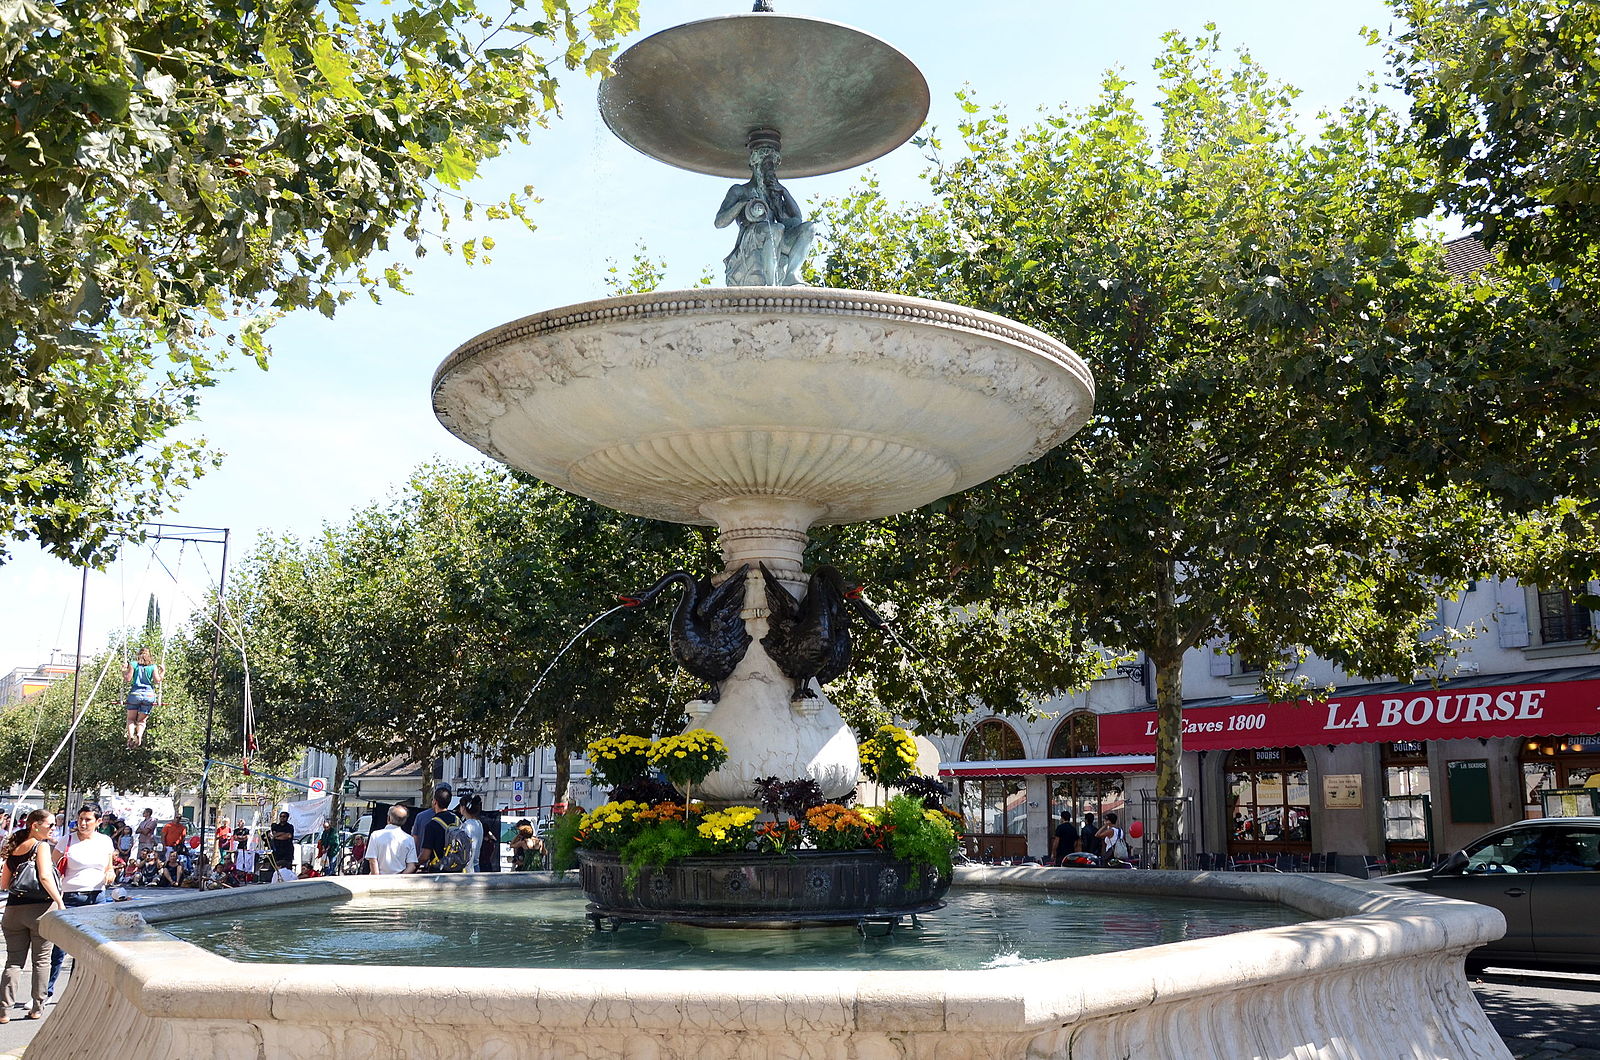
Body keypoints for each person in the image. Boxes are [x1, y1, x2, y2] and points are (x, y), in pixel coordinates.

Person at [713, 136, 814, 286]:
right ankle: (771, 284)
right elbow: (719, 222)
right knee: (776, 229)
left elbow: (796, 220)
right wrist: (742, 204)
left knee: (809, 228)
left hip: (773, 239)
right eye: (768, 165)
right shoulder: (740, 190)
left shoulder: (772, 194)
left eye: (773, 166)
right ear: (756, 164)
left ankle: (791, 275)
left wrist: (784, 191)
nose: (771, 170)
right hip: (751, 240)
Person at [0, 809, 64, 1021]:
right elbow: (45, 877)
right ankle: (37, 1007)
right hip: (40, 910)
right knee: (42, 961)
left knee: (13, 962)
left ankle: (4, 1011)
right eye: (50, 824)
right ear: (35, 825)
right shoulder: (41, 846)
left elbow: (4, 883)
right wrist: (60, 901)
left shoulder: (14, 847)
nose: (53, 828)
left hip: (12, 911)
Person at [46, 806, 116, 996]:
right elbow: (50, 869)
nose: (83, 823)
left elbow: (109, 867)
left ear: (98, 822)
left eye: (88, 820)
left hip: (97, 896)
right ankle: (47, 991)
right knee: (60, 947)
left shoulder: (105, 841)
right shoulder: (67, 840)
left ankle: (76, 990)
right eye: (81, 819)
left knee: (91, 947)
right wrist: (56, 897)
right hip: (70, 897)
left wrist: (110, 873)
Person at [122, 647, 163, 747]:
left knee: (131, 719)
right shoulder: (153, 667)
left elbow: (127, 679)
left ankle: (131, 735)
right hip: (149, 695)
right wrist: (162, 672)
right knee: (141, 720)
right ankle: (139, 735)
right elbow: (158, 680)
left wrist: (123, 671)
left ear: (138, 655)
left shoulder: (133, 664)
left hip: (135, 694)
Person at [416, 785, 460, 872]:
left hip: (438, 870)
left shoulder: (431, 825)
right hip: (456, 869)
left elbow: (425, 856)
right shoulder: (457, 820)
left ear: (435, 802)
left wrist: (415, 864)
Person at [365, 806, 417, 875]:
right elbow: (412, 866)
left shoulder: (375, 835)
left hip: (380, 880)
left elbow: (373, 861)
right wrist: (400, 878)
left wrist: (377, 879)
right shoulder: (409, 839)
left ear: (388, 818)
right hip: (400, 882)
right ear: (404, 821)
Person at [459, 795, 484, 875]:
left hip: (467, 868)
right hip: (476, 865)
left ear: (463, 808)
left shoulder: (465, 826)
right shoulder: (479, 824)